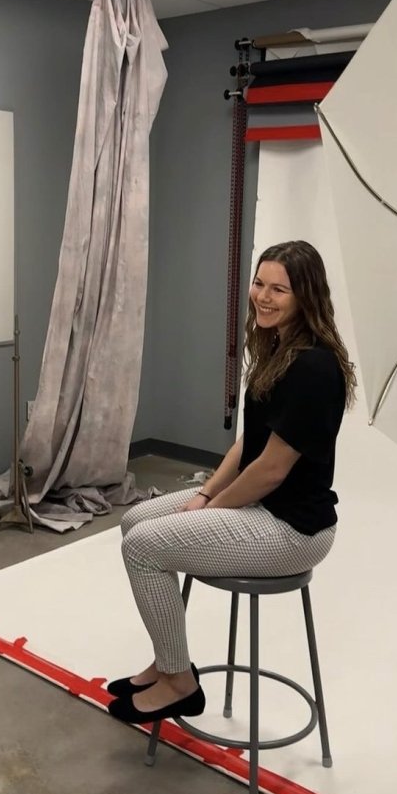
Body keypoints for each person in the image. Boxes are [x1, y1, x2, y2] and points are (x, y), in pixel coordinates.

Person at [107, 240, 357, 725]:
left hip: (293, 528)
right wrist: (204, 494)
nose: (263, 296)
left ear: (306, 295)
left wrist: (214, 508)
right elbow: (249, 444)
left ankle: (180, 682)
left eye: (278, 289)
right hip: (261, 506)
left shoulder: (313, 367)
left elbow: (270, 471)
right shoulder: (277, 348)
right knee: (136, 518)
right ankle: (168, 659)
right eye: (260, 283)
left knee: (141, 547)